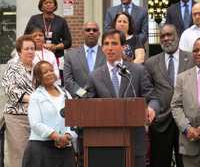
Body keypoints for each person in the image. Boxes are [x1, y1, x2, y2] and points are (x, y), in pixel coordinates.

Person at [86, 29, 160, 167]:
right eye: (106, 44)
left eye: (114, 43)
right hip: (105, 141)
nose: (109, 47)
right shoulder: (95, 76)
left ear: (123, 47)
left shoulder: (137, 71)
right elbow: (87, 104)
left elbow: (152, 98)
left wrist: (151, 108)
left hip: (134, 139)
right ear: (102, 48)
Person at [145, 24, 194, 167]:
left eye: (169, 35)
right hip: (160, 122)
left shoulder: (191, 58)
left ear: (177, 36)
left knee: (186, 163)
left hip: (186, 121)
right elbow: (149, 91)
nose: (166, 39)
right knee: (159, 162)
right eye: (162, 36)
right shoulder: (151, 63)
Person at [22, 61, 77, 167]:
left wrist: (68, 135)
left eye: (51, 70)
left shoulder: (66, 94)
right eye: (45, 72)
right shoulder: (35, 97)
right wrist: (56, 136)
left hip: (65, 148)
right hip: (41, 149)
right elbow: (35, 124)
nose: (50, 73)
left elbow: (74, 120)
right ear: (38, 77)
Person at [1, 35, 35, 167]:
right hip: (16, 117)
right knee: (18, 154)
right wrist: (33, 99)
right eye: (27, 49)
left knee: (34, 155)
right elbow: (10, 90)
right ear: (19, 52)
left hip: (36, 117)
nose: (30, 51)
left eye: (32, 48)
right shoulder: (12, 67)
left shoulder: (38, 67)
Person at [24, 0, 72, 84]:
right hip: (37, 56)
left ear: (55, 5)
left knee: (56, 81)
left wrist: (55, 47)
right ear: (41, 6)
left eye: (51, 3)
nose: (49, 4)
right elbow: (26, 37)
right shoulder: (34, 19)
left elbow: (68, 42)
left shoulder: (61, 21)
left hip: (56, 57)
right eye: (46, 3)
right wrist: (39, 44)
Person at [171, 38, 200, 167]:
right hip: (190, 142)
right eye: (195, 50)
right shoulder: (182, 78)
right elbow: (176, 106)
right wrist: (187, 128)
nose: (198, 53)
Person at [64, 21, 106, 97]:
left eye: (94, 30)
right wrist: (82, 94)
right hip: (79, 101)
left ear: (99, 34)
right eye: (88, 30)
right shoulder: (70, 55)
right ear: (82, 33)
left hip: (103, 100)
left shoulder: (107, 54)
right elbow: (68, 80)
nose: (91, 32)